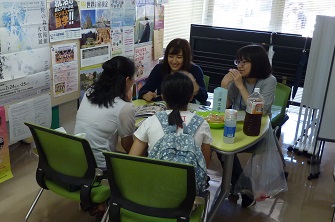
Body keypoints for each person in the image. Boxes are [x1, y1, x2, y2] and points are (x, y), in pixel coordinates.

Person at [129, 72, 212, 192]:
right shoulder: (202, 123)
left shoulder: (151, 121)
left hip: (152, 194)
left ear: (163, 96)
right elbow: (204, 164)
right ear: (191, 97)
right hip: (187, 199)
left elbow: (132, 160)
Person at [220, 44, 277, 208]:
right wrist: (224, 86)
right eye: (238, 61)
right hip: (236, 124)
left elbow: (258, 110)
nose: (240, 65)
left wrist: (240, 86)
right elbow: (223, 108)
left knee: (228, 150)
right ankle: (245, 186)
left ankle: (242, 188)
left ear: (257, 63)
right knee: (223, 150)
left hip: (257, 128)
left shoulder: (268, 81)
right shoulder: (236, 79)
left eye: (245, 62)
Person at [74, 56, 136, 169]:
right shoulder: (124, 107)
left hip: (78, 159)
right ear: (127, 80)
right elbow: (127, 146)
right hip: (101, 167)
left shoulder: (90, 92)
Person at [138, 38, 208, 104]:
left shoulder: (194, 70)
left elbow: (203, 98)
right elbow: (144, 90)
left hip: (186, 110)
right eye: (171, 57)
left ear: (186, 57)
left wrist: (193, 83)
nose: (174, 61)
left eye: (179, 57)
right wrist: (145, 94)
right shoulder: (159, 68)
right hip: (164, 108)